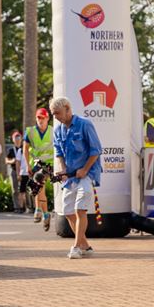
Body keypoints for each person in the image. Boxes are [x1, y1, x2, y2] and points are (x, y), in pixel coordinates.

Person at [50, 97, 102, 259]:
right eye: (54, 114)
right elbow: (59, 153)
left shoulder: (84, 124)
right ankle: (85, 245)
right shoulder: (58, 130)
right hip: (70, 177)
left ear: (67, 108)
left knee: (80, 209)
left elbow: (96, 150)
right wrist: (64, 170)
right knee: (67, 211)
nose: (56, 117)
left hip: (87, 174)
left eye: (58, 113)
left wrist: (85, 169)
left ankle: (76, 247)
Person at [24, 107, 54, 229]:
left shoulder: (53, 130)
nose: (40, 120)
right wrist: (27, 165)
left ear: (47, 118)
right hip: (36, 164)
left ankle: (39, 210)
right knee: (38, 188)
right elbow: (25, 148)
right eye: (38, 118)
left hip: (49, 165)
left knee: (39, 185)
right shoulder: (30, 132)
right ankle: (45, 214)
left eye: (42, 118)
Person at [5, 131, 30, 213]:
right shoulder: (11, 150)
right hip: (14, 170)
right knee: (15, 190)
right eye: (15, 137)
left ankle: (27, 206)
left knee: (25, 189)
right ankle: (17, 207)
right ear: (13, 139)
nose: (17, 139)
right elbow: (6, 160)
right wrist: (12, 161)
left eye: (19, 137)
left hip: (24, 171)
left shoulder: (24, 148)